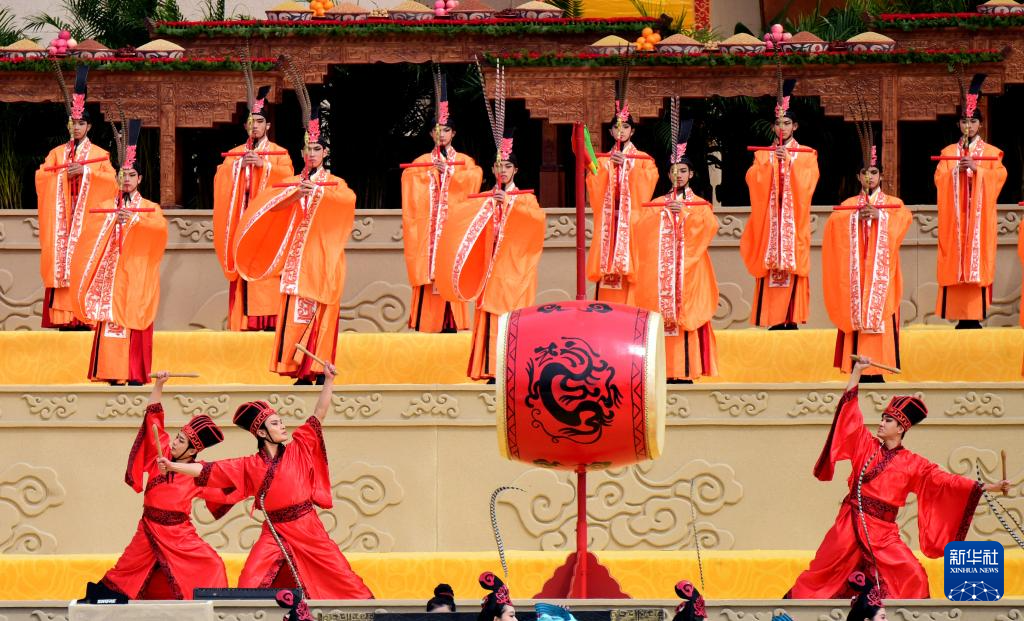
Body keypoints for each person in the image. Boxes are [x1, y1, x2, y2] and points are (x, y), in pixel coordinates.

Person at [785, 356, 1010, 599]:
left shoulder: (914, 463)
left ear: (901, 428)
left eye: (888, 420)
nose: (881, 423)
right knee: (822, 571)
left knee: (914, 575)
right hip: (850, 523)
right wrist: (857, 372)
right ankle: (793, 611)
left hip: (883, 533)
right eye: (882, 418)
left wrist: (992, 486)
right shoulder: (865, 445)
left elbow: (947, 482)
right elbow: (850, 415)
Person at [157, 362, 374, 599]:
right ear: (261, 433)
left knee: (341, 575)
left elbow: (318, 414)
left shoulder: (299, 447)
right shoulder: (249, 465)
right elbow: (206, 469)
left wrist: (329, 381)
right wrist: (173, 466)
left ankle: (367, 611)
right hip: (274, 530)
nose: (282, 426)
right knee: (249, 581)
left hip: (307, 527)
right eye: (275, 423)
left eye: (280, 422)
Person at [234, 92, 355, 385]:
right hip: (297, 261)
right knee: (294, 314)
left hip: (323, 260)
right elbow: (269, 205)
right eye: (307, 149)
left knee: (320, 313)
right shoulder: (291, 183)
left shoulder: (335, 184)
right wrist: (294, 195)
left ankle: (316, 368)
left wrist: (319, 192)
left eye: (317, 149)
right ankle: (295, 367)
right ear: (301, 153)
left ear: (325, 153)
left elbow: (347, 202)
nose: (311, 154)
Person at [94, 371, 235, 600]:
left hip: (179, 535)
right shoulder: (160, 452)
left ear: (192, 450)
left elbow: (228, 484)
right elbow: (153, 418)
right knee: (126, 571)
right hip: (150, 527)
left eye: (181, 441)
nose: (175, 442)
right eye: (177, 437)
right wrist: (159, 384)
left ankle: (211, 609)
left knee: (213, 564)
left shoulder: (197, 472)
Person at [435, 132, 545, 382]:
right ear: (493, 169)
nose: (502, 171)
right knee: (488, 316)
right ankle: (490, 369)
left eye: (507, 166)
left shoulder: (526, 199)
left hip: (514, 270)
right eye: (499, 166)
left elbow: (537, 222)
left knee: (511, 317)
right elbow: (461, 216)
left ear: (516, 170)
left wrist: (510, 204)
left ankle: (512, 371)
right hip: (489, 268)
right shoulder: (485, 199)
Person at [70, 119, 167, 385]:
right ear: (117, 178)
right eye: (122, 175)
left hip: (136, 274)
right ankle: (112, 372)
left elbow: (159, 231)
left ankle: (134, 373)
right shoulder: (104, 206)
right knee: (111, 319)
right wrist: (111, 221)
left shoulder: (150, 208)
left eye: (132, 175)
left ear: (140, 179)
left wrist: (135, 220)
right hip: (110, 276)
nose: (126, 180)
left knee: (133, 317)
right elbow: (89, 236)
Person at [634, 108, 718, 383]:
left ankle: (687, 370)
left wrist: (685, 215)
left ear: (691, 174)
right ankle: (664, 372)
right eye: (674, 171)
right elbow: (641, 231)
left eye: (683, 170)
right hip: (662, 275)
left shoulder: (700, 205)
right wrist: (663, 214)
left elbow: (708, 229)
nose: (678, 175)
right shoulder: (657, 204)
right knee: (661, 316)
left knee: (687, 315)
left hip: (690, 273)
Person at [822, 126, 911, 382]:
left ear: (881, 175)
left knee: (882, 314)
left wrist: (881, 218)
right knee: (857, 312)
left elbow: (903, 223)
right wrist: (853, 219)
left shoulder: (894, 205)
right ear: (858, 177)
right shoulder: (848, 206)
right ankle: (857, 369)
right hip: (856, 278)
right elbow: (833, 230)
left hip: (882, 278)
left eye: (873, 172)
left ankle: (879, 368)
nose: (869, 177)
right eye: (865, 173)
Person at [401, 68, 483, 333]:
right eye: (437, 130)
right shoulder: (421, 163)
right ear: (431, 135)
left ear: (453, 133)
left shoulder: (465, 162)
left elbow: (473, 180)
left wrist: (450, 173)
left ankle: (455, 324)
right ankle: (425, 324)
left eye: (446, 130)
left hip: (451, 232)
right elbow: (411, 190)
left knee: (451, 272)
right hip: (428, 236)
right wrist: (429, 176)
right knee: (429, 278)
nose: (442, 134)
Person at [36, 65, 117, 329]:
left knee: (85, 263)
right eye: (74, 123)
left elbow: (113, 184)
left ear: (89, 126)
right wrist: (60, 175)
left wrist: (86, 172)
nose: (77, 127)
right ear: (68, 125)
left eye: (82, 123)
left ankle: (85, 317)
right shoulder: (56, 154)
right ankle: (64, 318)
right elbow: (42, 177)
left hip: (86, 223)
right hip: (63, 221)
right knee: (62, 264)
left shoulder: (100, 155)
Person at [213, 80, 293, 331]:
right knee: (242, 270)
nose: (255, 126)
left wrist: (264, 166)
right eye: (251, 122)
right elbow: (221, 178)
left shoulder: (280, 153)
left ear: (267, 125)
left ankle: (268, 322)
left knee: (267, 269)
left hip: (267, 225)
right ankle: (243, 322)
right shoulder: (235, 154)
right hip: (241, 222)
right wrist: (238, 167)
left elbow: (288, 180)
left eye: (259, 121)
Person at [740, 78, 819, 330]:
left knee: (792, 271)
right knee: (769, 270)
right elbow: (753, 180)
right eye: (778, 123)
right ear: (773, 127)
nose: (782, 127)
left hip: (793, 225)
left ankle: (791, 320)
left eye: (787, 123)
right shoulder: (762, 154)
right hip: (770, 226)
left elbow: (808, 184)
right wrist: (770, 164)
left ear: (795, 126)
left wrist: (791, 163)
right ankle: (770, 320)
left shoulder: (807, 154)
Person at [933, 73, 1007, 329]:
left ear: (980, 125)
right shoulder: (948, 153)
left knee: (978, 263)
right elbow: (940, 181)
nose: (968, 125)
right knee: (955, 262)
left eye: (973, 121)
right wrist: (955, 172)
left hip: (978, 222)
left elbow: (999, 179)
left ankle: (975, 316)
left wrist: (978, 170)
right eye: (964, 121)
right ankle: (958, 317)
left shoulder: (992, 153)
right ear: (958, 124)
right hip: (955, 222)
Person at [585, 76, 658, 306]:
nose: (621, 131)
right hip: (609, 223)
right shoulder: (601, 161)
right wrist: (609, 169)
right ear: (610, 132)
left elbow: (647, 187)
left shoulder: (644, 160)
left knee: (633, 274)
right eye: (616, 127)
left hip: (632, 224)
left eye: (625, 127)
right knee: (607, 273)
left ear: (632, 131)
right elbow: (593, 187)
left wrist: (627, 167)